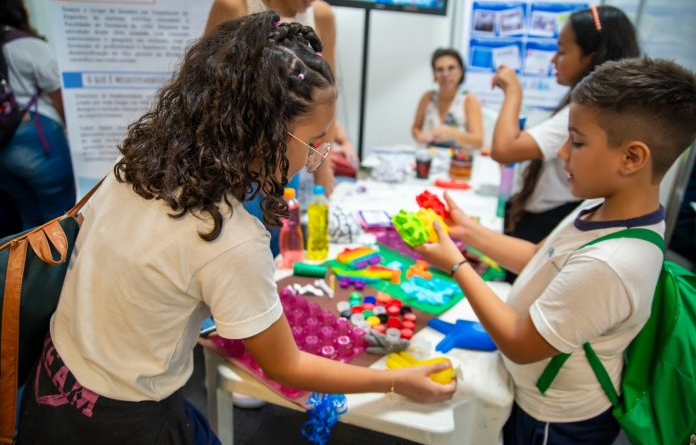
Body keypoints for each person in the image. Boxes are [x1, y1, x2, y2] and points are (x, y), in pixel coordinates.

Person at [16, 13, 455, 445]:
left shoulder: (135, 165)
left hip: (49, 388)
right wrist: (397, 381)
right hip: (121, 422)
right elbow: (288, 366)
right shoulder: (227, 238)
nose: (321, 154)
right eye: (315, 141)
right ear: (262, 131)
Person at [416, 57, 696, 445]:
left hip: (557, 422)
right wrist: (468, 230)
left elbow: (518, 342)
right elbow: (538, 257)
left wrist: (457, 265)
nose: (562, 153)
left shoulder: (612, 263)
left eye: (577, 142)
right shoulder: (599, 206)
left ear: (631, 158)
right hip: (532, 396)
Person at [490, 6, 640, 259]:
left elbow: (504, 150)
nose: (553, 60)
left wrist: (513, 91)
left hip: (546, 220)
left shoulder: (589, 111)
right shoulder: (585, 108)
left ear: (591, 57)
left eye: (561, 51)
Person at [206, 0, 359, 191]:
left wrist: (322, 163)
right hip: (236, 161)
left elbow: (327, 97)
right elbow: (207, 91)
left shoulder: (322, 16)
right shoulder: (234, 7)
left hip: (291, 157)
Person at [0, 0, 76, 230]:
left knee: (29, 222)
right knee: (59, 218)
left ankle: (28, 266)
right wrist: (72, 129)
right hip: (38, 139)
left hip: (4, 144)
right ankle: (59, 266)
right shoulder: (25, 45)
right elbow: (57, 90)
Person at [412, 48, 483, 150]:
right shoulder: (427, 97)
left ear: (461, 72)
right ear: (434, 74)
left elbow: (478, 141)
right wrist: (419, 135)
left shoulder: (469, 99)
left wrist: (453, 133)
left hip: (457, 161)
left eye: (451, 68)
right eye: (440, 69)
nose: (445, 74)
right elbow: (415, 128)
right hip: (428, 157)